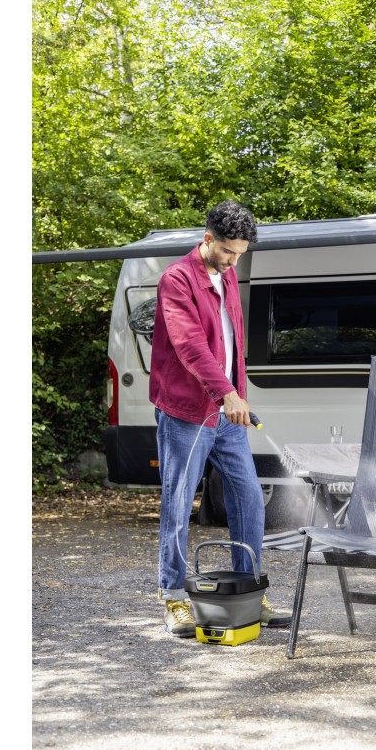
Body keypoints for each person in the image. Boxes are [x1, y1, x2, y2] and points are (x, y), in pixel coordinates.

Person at [149, 199, 292, 637]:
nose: (233, 261)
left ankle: (248, 593)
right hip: (187, 412)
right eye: (228, 251)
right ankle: (174, 597)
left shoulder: (227, 276)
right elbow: (190, 345)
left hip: (227, 413)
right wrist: (226, 393)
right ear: (208, 238)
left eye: (240, 254)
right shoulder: (177, 279)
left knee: (249, 498)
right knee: (178, 503)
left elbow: (233, 344)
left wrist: (238, 394)